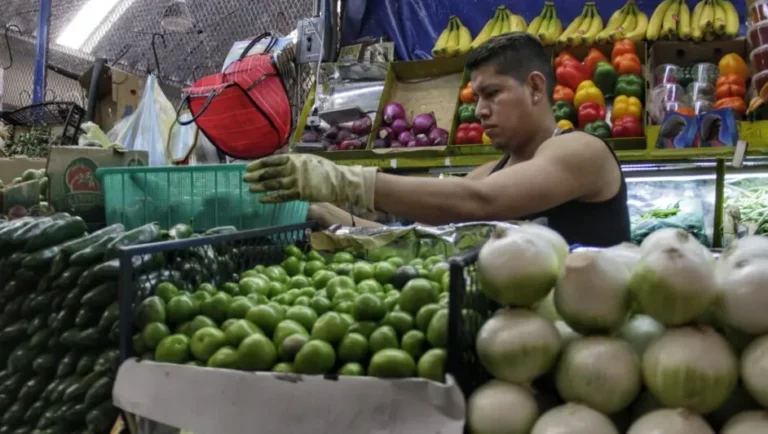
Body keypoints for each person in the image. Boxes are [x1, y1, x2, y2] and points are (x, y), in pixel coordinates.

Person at [244, 32, 631, 247]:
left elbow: (481, 202)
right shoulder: (492, 172)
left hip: (592, 346)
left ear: (534, 88)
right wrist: (330, 215)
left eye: (492, 94)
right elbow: (421, 237)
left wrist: (344, 180)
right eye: (476, 97)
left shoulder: (582, 150)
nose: (479, 111)